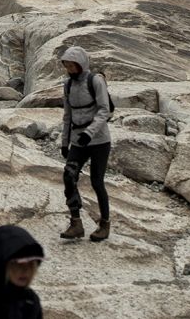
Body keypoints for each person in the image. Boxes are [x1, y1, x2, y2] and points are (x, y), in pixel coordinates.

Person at [58, 45, 112, 241]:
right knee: (68, 176)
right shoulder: (67, 85)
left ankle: (105, 224)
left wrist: (89, 133)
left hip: (99, 140)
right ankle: (76, 223)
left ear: (81, 64)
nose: (70, 70)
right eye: (67, 66)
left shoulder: (96, 81)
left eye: (73, 66)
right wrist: (65, 142)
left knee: (97, 182)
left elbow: (104, 110)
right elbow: (67, 115)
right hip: (78, 141)